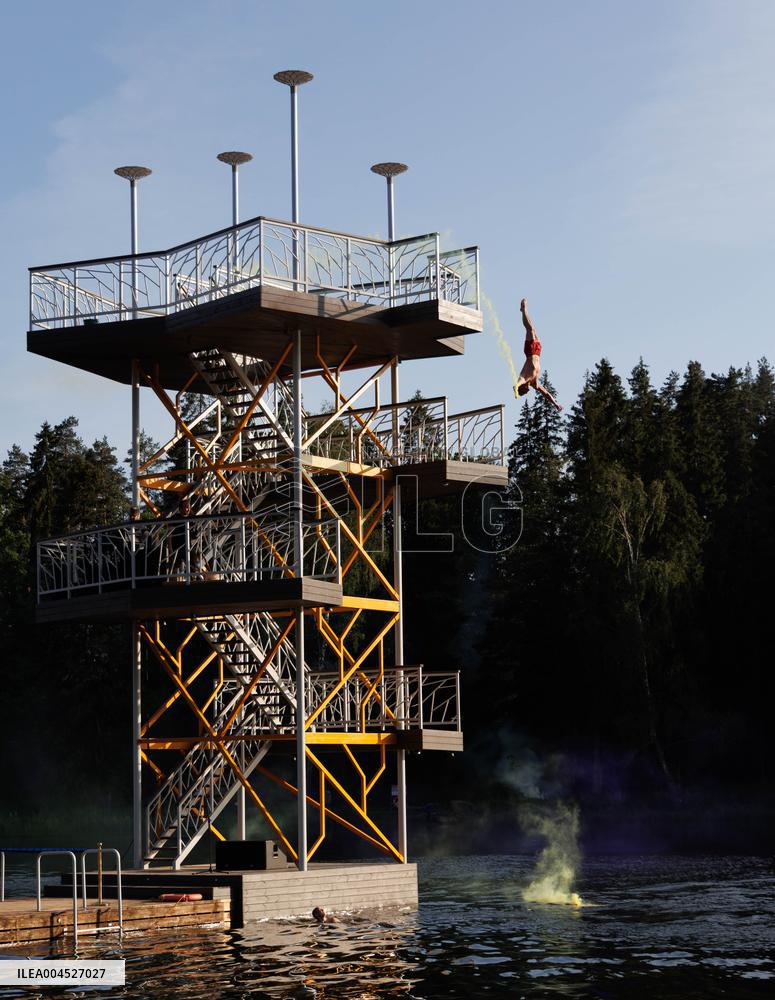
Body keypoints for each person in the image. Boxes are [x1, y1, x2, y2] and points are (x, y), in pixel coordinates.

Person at [514, 298, 563, 411]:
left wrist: (516, 391)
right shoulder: (534, 383)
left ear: (522, 388)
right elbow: (545, 392)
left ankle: (523, 310)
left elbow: (516, 385)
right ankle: (524, 311)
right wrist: (555, 403)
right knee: (533, 330)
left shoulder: (523, 378)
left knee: (530, 329)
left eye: (524, 392)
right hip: (538, 352)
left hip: (530, 351)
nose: (527, 392)